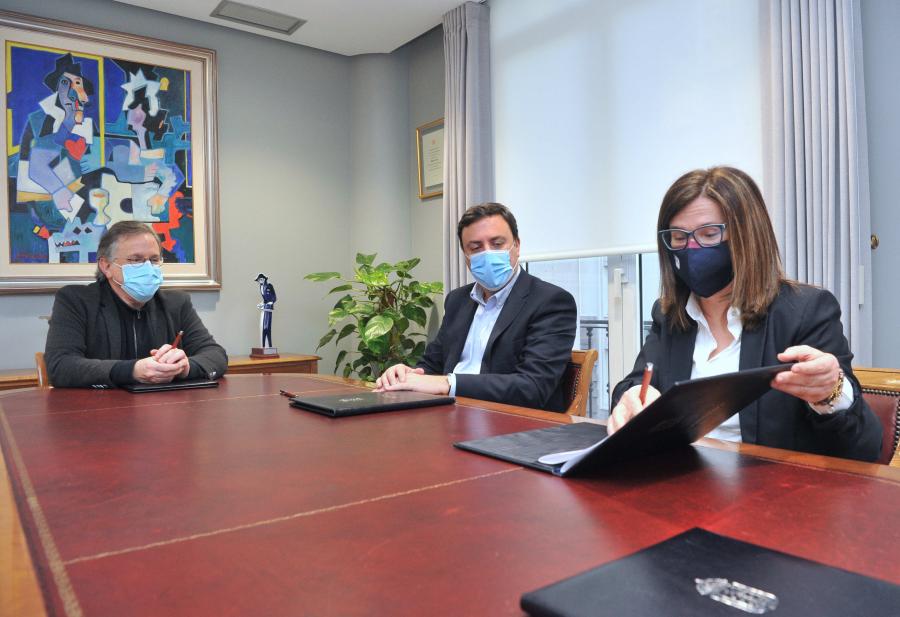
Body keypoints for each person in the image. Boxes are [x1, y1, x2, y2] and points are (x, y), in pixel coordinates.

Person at [608, 166, 881, 462]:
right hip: (682, 488)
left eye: (709, 234)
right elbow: (636, 383)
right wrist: (631, 397)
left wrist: (831, 393)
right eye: (678, 237)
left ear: (747, 235)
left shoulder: (805, 311)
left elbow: (864, 449)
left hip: (772, 496)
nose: (691, 248)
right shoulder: (669, 315)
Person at [374, 203, 577, 412]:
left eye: (497, 243)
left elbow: (533, 387)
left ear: (517, 245)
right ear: (466, 256)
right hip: (449, 413)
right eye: (476, 247)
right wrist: (407, 374)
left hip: (512, 423)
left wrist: (448, 384)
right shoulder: (457, 300)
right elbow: (432, 365)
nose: (488, 254)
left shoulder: (551, 301)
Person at [45, 221, 228, 387]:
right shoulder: (76, 300)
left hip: (164, 413)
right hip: (101, 414)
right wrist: (133, 370)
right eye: (136, 259)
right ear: (106, 266)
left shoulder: (176, 303)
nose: (148, 267)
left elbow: (215, 355)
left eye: (154, 260)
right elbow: (61, 366)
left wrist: (184, 367)